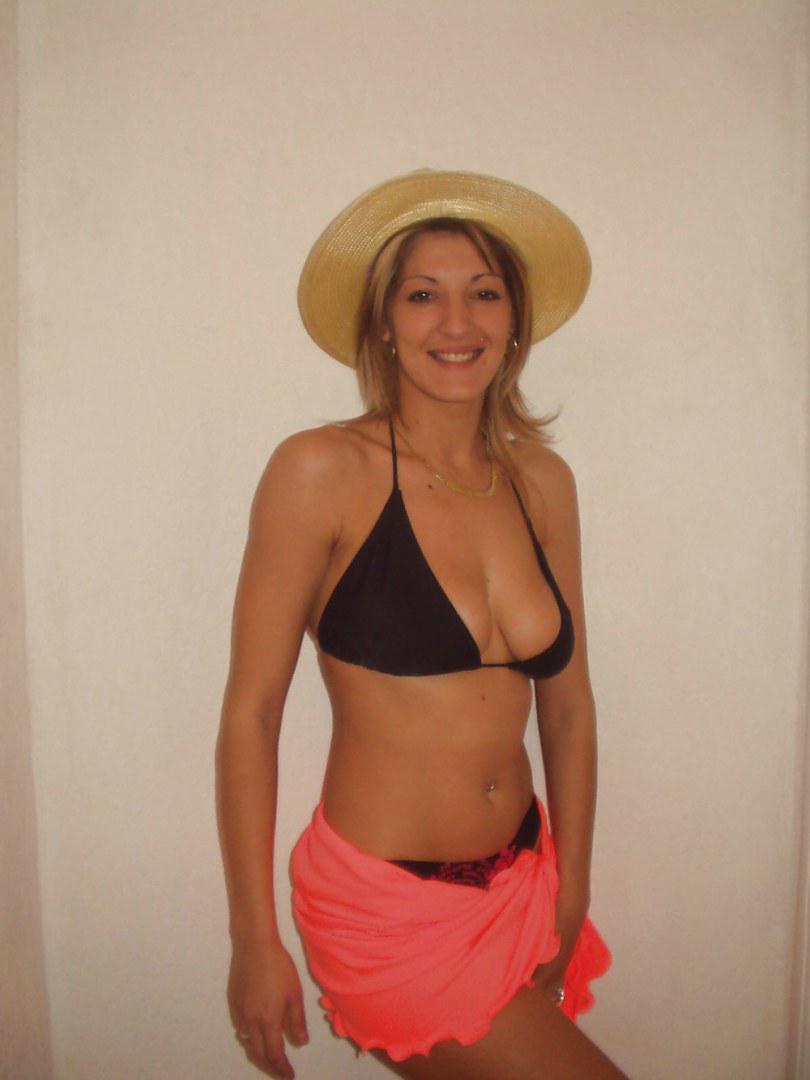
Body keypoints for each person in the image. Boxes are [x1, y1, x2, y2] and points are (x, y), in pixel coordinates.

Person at [216, 170, 627, 1079]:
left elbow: (568, 709)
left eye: (484, 292)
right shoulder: (321, 471)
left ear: (514, 321)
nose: (456, 322)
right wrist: (252, 937)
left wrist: (573, 887)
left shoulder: (541, 483)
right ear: (383, 325)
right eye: (422, 295)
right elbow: (251, 712)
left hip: (525, 880)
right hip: (388, 912)